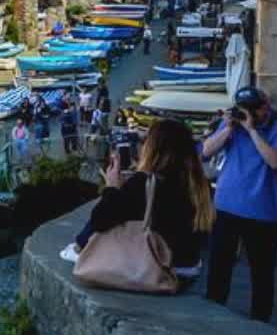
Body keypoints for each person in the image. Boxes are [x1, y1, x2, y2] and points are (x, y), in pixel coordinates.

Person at [64, 120, 215, 283]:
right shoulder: (200, 184)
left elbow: (100, 220)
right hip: (189, 265)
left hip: (161, 266)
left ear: (153, 148)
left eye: (145, 141)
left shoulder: (144, 182)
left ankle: (79, 246)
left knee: (113, 210)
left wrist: (112, 187)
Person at [201, 85, 277, 322]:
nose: (249, 114)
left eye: (254, 109)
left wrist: (252, 130)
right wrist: (228, 128)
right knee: (219, 265)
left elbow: (275, 162)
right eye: (245, 109)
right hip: (226, 205)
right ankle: (213, 312)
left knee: (261, 270)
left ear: (265, 108)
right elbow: (206, 151)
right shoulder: (232, 126)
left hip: (261, 211)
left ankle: (260, 321)